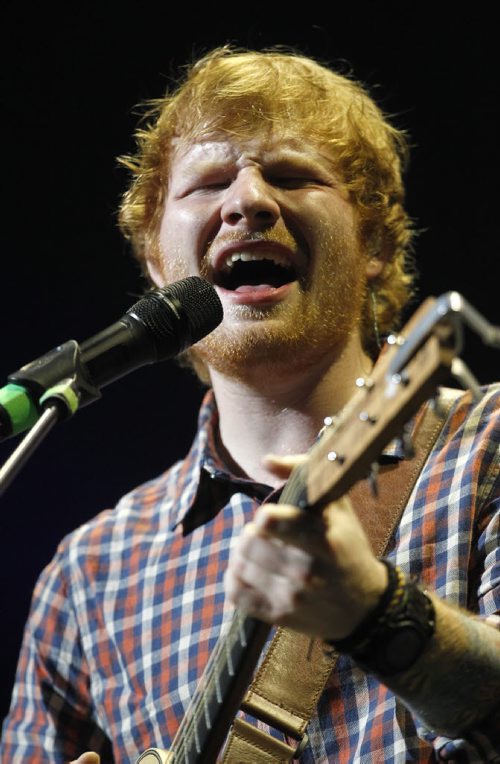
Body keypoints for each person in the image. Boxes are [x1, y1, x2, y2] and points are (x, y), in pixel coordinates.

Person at [1, 45, 499, 763]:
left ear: (376, 244)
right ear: (156, 265)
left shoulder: (487, 445)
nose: (248, 201)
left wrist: (379, 616)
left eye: (293, 175)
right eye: (207, 184)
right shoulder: (90, 573)